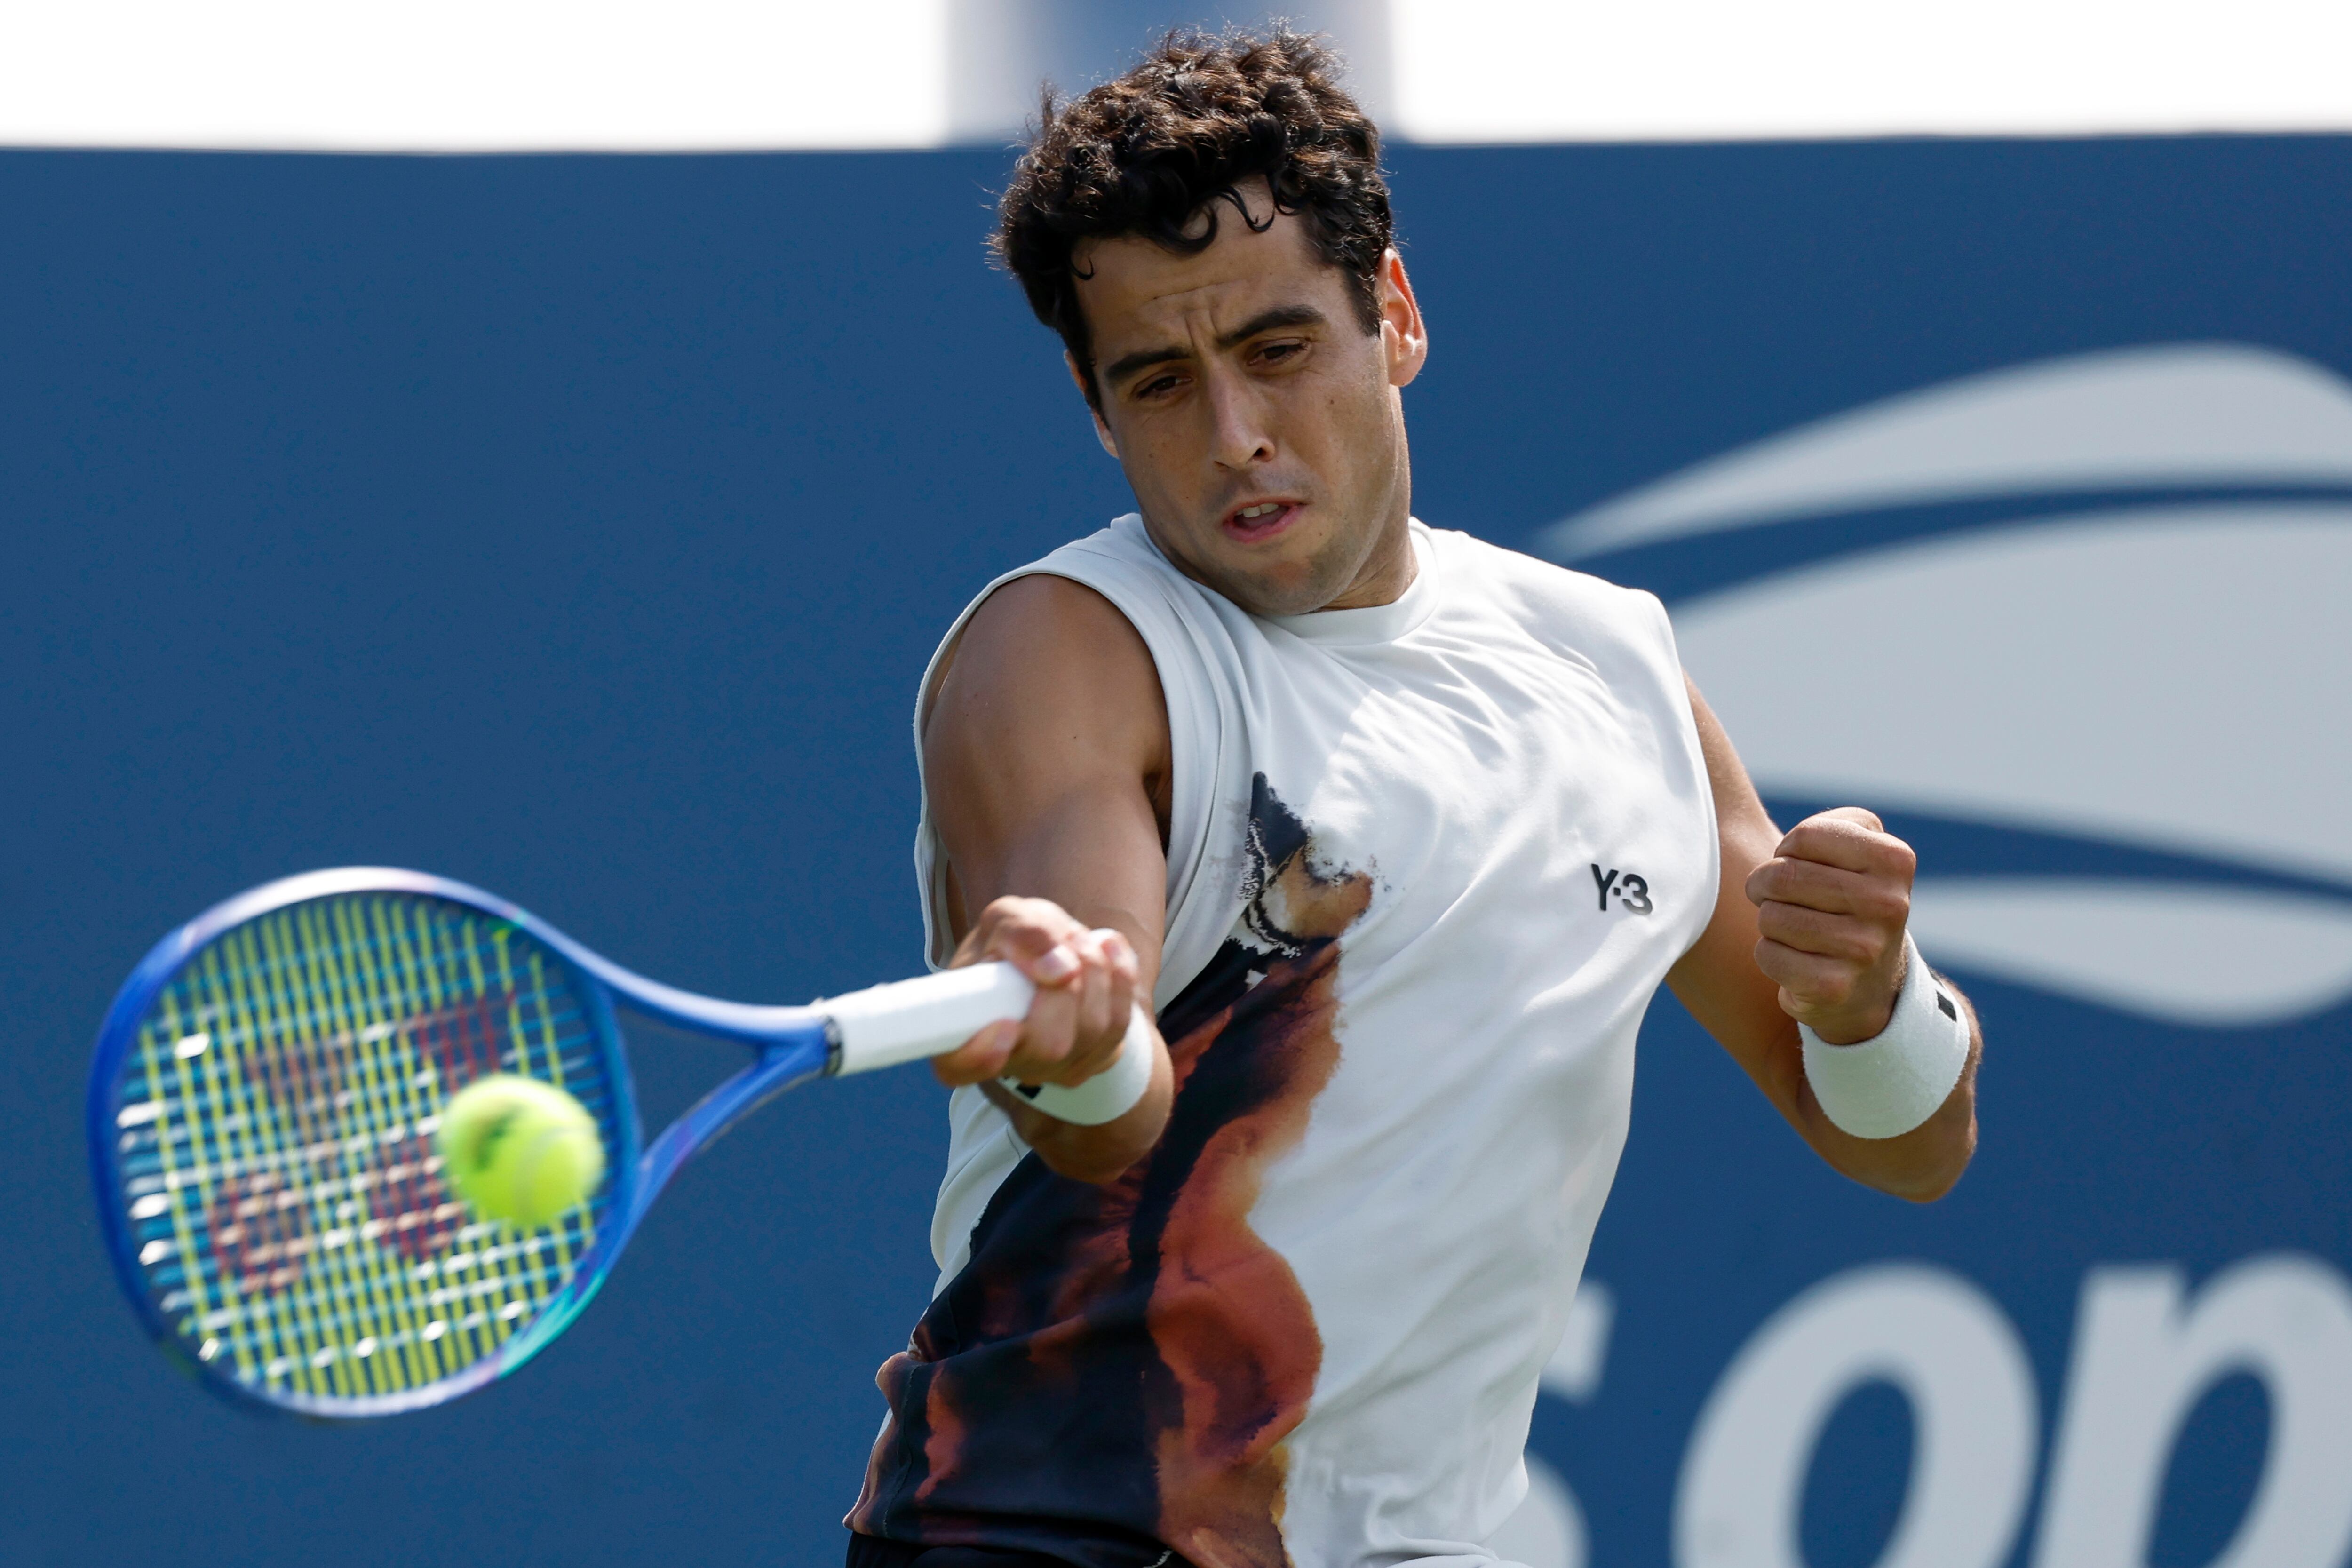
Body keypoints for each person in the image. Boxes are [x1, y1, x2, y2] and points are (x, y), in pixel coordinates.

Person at [845, 29, 1981, 1568]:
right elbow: (1106, 1110)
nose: (1234, 435)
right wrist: (1074, 1024)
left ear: (1394, 316)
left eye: (1279, 349)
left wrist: (1869, 996)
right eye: (1162, 383)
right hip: (1050, 1540)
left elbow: (1902, 1145)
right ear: (1098, 408)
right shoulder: (1064, 651)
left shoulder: (1611, 666)